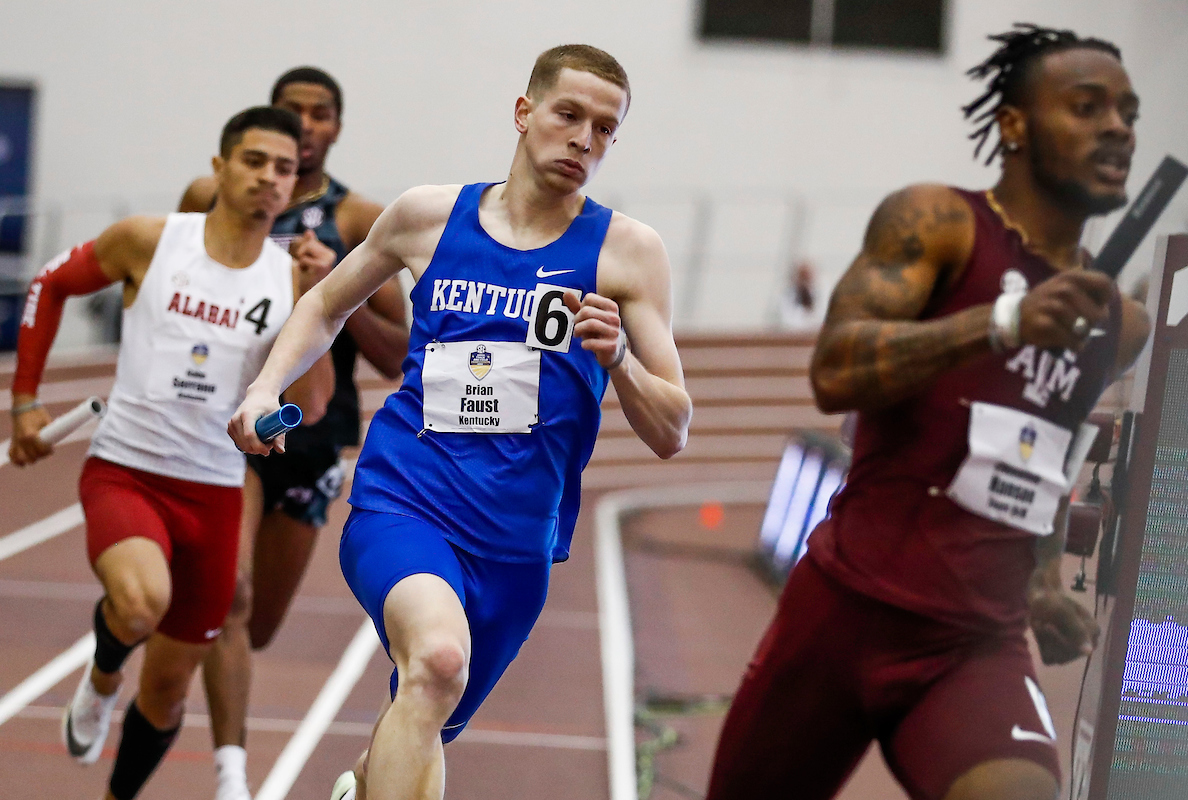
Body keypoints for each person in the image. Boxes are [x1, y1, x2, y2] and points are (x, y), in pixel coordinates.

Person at [229, 43, 693, 800]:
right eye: (568, 115)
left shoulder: (628, 253)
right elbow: (325, 302)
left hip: (517, 546)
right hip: (404, 502)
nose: (584, 139)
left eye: (605, 129)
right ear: (524, 112)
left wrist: (621, 364)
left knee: (424, 714)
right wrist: (264, 387)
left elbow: (672, 430)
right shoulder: (426, 217)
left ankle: (357, 785)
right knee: (440, 663)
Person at [705, 24, 1150, 800]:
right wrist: (1003, 323)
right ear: (1014, 126)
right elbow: (835, 368)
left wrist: (1044, 582)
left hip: (974, 643)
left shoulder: (1121, 324)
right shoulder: (937, 223)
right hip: (844, 614)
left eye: (1129, 112)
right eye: (1087, 107)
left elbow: (1046, 460)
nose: (1117, 127)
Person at [8, 106, 334, 800]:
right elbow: (50, 285)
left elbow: (310, 401)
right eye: (254, 161)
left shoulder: (288, 280)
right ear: (219, 167)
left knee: (166, 693)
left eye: (284, 168)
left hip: (214, 494)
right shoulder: (150, 241)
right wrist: (25, 401)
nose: (270, 178)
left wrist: (319, 305)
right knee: (139, 603)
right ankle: (99, 681)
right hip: (128, 472)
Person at [179, 66, 408, 800]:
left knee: (260, 624)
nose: (305, 126)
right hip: (229, 418)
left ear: (337, 127)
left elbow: (399, 356)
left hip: (313, 432)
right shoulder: (204, 198)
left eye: (320, 114)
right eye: (291, 112)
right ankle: (232, 775)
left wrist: (335, 288)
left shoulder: (360, 219)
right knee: (233, 596)